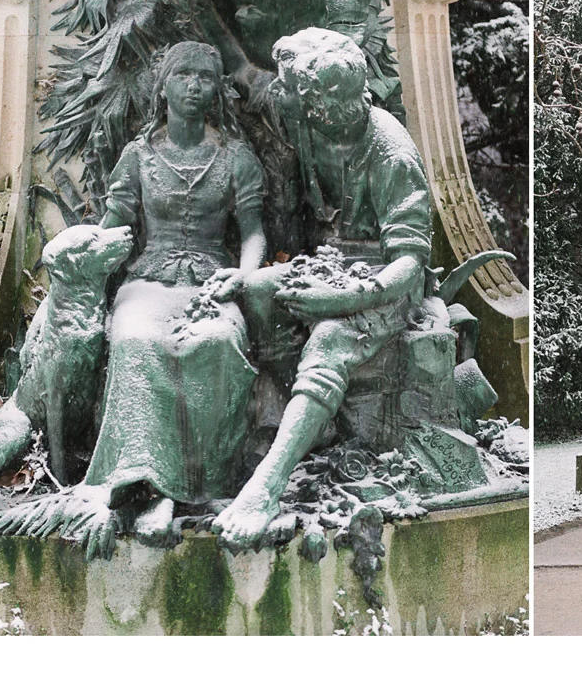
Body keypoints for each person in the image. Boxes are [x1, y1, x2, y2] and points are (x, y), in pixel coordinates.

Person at [213, 28, 432, 551]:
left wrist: (345, 299)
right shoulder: (306, 117)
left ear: (330, 104)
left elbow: (409, 262)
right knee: (258, 291)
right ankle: (308, 421)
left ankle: (267, 486)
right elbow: (249, 76)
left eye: (296, 93)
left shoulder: (390, 152)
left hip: (384, 280)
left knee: (330, 340)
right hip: (327, 264)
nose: (286, 99)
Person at [82, 41, 266, 534]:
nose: (193, 85)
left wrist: (244, 276)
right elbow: (114, 223)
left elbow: (253, 232)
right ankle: (143, 482)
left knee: (219, 342)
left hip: (212, 280)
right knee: (135, 340)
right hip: (148, 280)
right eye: (182, 75)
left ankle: (207, 485)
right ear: (162, 87)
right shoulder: (138, 156)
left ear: (216, 90)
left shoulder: (235, 157)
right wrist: (84, 257)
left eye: (204, 76)